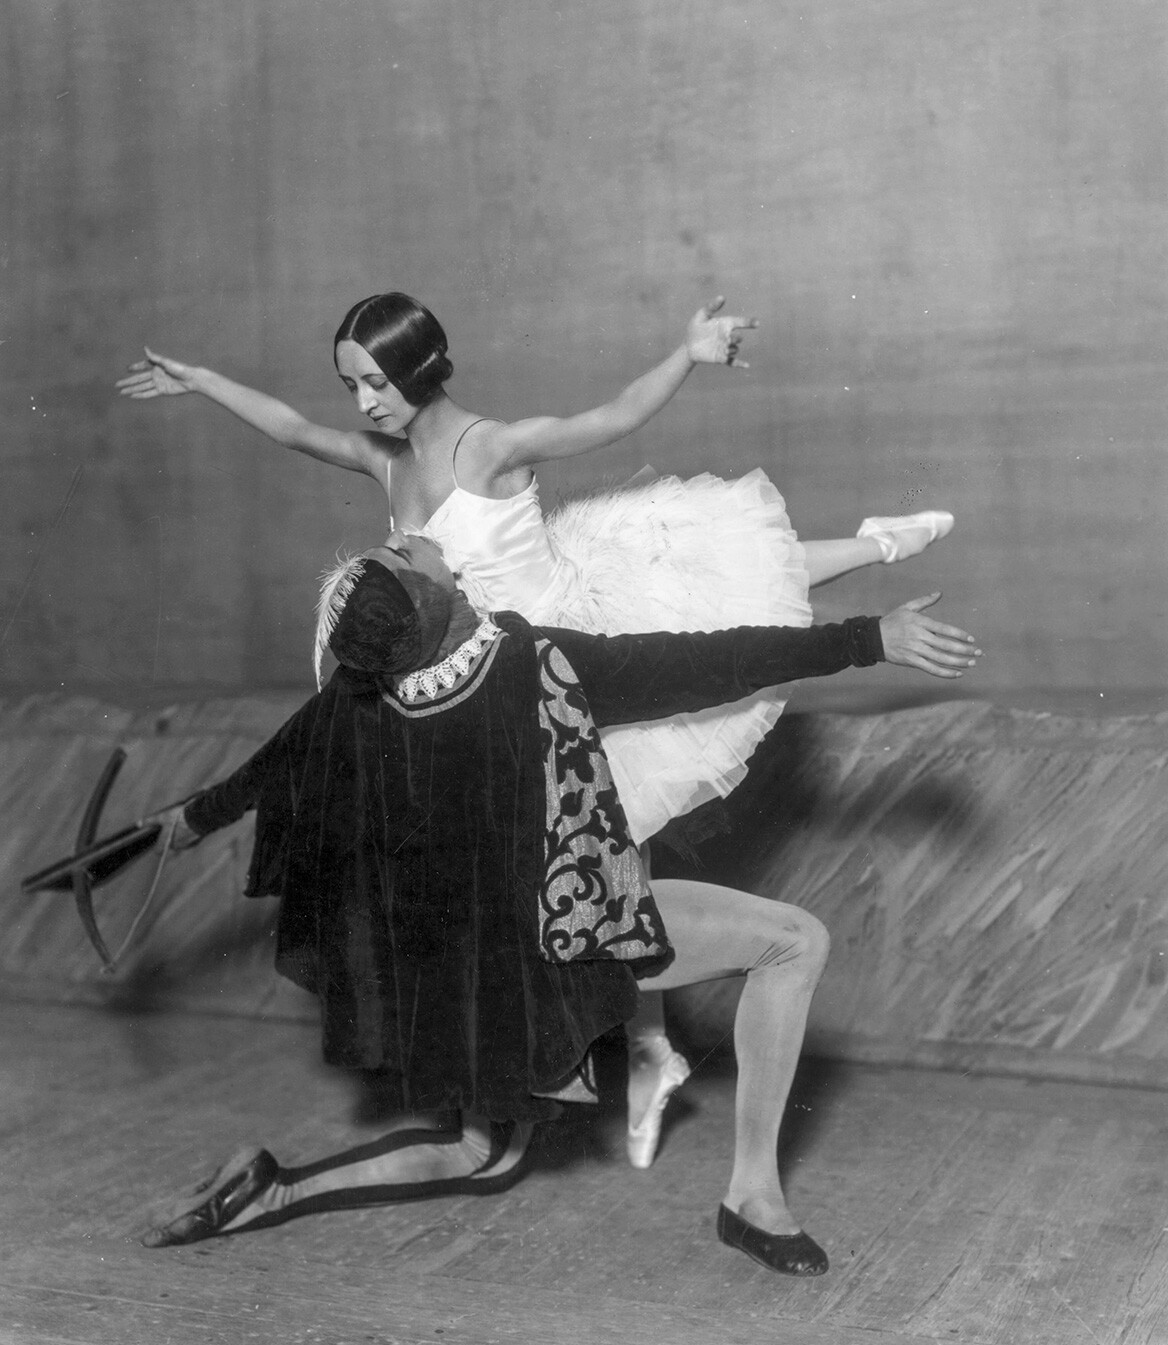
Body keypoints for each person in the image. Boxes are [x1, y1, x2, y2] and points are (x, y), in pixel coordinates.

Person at [118, 293, 954, 1166]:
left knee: (723, 619)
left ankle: (874, 548)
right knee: (611, 844)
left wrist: (687, 350)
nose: (363, 402)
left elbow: (611, 417)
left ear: (420, 368)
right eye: (350, 385)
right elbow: (291, 430)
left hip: (561, 648)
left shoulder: (490, 446)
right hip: (490, 689)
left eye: (375, 382)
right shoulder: (387, 463)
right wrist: (203, 380)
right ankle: (647, 1050)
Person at [140, 532, 980, 1273]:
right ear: (432, 600)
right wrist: (870, 639)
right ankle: (752, 1197)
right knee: (795, 942)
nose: (412, 537)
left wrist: (186, 819)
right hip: (570, 935)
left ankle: (275, 1189)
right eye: (404, 552)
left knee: (483, 1156)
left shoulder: (369, 697)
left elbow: (277, 760)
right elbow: (703, 661)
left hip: (477, 969)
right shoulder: (534, 664)